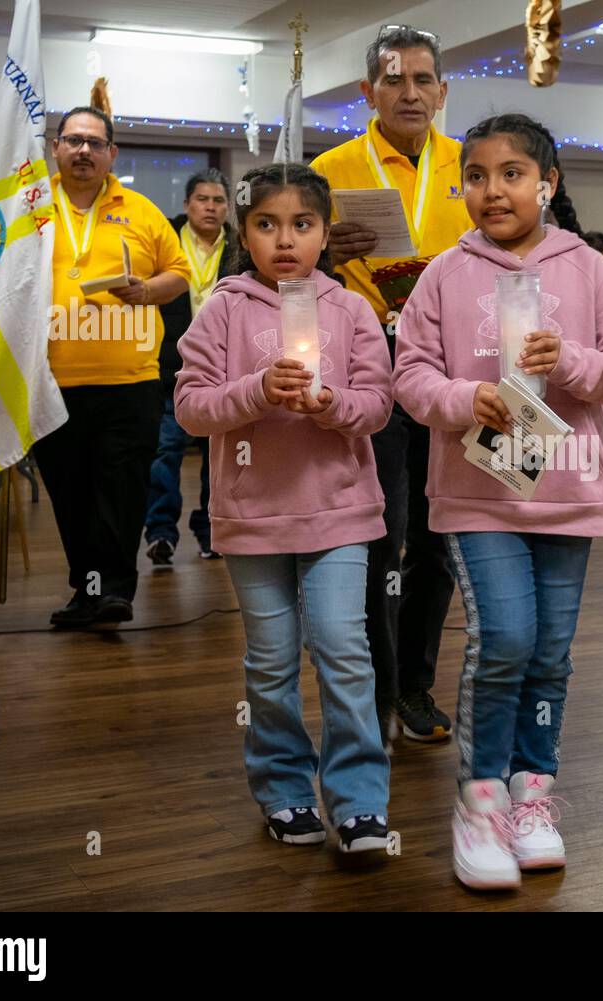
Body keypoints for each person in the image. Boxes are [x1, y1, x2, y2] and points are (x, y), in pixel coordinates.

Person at [393, 113, 603, 889]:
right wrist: (466, 396)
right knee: (503, 638)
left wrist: (570, 361)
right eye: (475, 175)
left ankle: (531, 794)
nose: (492, 190)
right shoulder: (444, 272)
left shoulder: (589, 269)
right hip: (478, 495)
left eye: (511, 174)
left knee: (550, 655)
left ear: (548, 183)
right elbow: (410, 378)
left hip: (568, 490)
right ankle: (479, 802)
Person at [175, 164, 393, 852]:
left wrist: (331, 406)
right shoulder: (223, 307)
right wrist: (258, 390)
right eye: (267, 224)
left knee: (343, 648)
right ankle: (284, 788)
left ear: (326, 232)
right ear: (244, 232)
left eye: (302, 224)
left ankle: (358, 799)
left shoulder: (353, 309)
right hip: (252, 517)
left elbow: (377, 406)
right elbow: (191, 407)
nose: (285, 239)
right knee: (270, 661)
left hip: (339, 514)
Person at [309, 25, 473, 745]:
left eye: (423, 80)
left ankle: (414, 685)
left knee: (441, 537)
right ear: (367, 91)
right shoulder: (330, 167)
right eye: (394, 79)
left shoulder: (470, 166)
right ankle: (372, 690)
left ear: (441, 91)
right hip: (368, 366)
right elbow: (280, 267)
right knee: (380, 537)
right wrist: (320, 255)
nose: (410, 92)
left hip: (454, 370)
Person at [33, 106, 189, 629]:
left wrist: (146, 291)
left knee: (121, 492)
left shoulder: (142, 211)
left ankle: (115, 590)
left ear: (111, 154)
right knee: (70, 494)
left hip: (130, 383)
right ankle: (87, 591)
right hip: (51, 384)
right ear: (55, 148)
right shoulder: (28, 208)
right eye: (73, 140)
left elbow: (181, 273)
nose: (83, 151)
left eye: (94, 143)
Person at [145, 168, 235, 566]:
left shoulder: (239, 246)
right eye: (203, 199)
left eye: (218, 201)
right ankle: (161, 534)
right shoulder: (166, 240)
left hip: (223, 365)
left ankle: (209, 531)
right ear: (187, 204)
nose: (211, 208)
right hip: (169, 365)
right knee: (165, 451)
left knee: (216, 454)